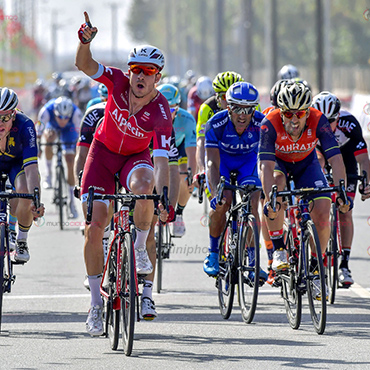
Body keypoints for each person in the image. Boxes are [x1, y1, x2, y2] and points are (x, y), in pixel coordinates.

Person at [76, 12, 171, 336]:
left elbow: (160, 161)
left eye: (148, 72)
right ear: (129, 72)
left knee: (146, 187)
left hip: (134, 157)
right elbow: (85, 66)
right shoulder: (115, 81)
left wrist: (163, 195)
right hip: (102, 155)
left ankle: (141, 251)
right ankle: (95, 305)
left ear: (158, 77)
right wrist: (85, 42)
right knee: (94, 227)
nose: (140, 76)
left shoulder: (161, 111)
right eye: (136, 70)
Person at [259, 82, 350, 300]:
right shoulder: (269, 123)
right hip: (279, 163)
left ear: (307, 111)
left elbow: (335, 158)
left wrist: (342, 192)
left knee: (322, 208)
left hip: (307, 164)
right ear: (280, 111)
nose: (294, 119)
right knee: (276, 189)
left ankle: (316, 268)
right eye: (288, 113)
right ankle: (279, 248)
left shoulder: (318, 120)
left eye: (299, 113)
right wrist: (270, 198)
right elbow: (266, 167)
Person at [203, 81, 267, 284]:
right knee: (224, 201)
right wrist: (215, 194)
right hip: (222, 162)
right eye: (237, 108)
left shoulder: (262, 123)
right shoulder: (216, 123)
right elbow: (212, 162)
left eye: (248, 109)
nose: (242, 114)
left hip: (247, 162)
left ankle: (253, 260)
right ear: (228, 107)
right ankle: (213, 252)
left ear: (254, 109)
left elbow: (267, 158)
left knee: (253, 203)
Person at [312, 91, 370, 287]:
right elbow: (313, 158)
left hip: (345, 160)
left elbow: (363, 159)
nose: (326, 126)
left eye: (331, 121)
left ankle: (344, 264)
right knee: (320, 208)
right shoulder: (309, 122)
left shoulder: (350, 123)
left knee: (346, 210)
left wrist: (366, 182)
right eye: (322, 121)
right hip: (320, 154)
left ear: (339, 116)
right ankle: (318, 258)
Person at [0, 87, 45, 262]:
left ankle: (21, 240)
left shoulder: (25, 125)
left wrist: (36, 200)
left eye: (4, 118)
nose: (0, 123)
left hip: (17, 164)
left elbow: (32, 168)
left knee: (24, 192)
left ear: (13, 115)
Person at [157, 83, 196, 237]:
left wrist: (192, 175)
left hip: (179, 148)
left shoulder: (187, 119)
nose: (167, 114)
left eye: (171, 110)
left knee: (185, 178)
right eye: (163, 109)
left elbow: (192, 151)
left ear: (178, 108)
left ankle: (178, 214)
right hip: (158, 146)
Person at [37, 96, 82, 219]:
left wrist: (76, 151)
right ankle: (49, 176)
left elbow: (80, 137)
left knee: (70, 160)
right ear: (54, 112)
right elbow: (39, 132)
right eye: (60, 117)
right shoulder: (46, 111)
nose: (63, 120)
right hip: (52, 127)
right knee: (49, 138)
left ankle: (72, 202)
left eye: (66, 117)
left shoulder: (76, 113)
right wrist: (39, 147)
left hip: (70, 130)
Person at [195, 71, 244, 178]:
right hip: (218, 153)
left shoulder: (251, 106)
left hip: (244, 152)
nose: (231, 102)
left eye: (235, 96)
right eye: (225, 97)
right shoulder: (207, 108)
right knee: (214, 189)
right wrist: (202, 169)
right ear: (217, 96)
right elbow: (201, 141)